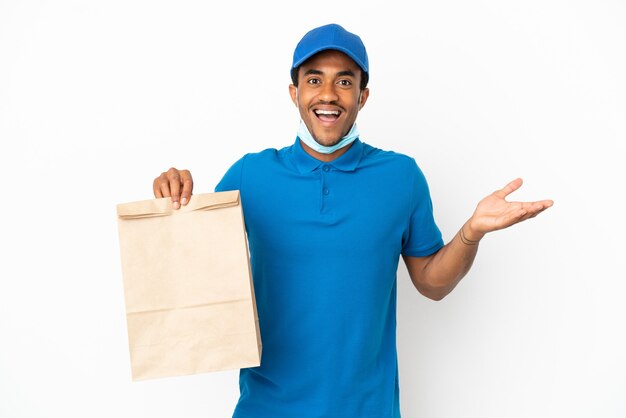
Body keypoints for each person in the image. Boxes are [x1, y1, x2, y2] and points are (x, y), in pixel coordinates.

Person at [152, 23, 553, 418]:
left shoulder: (401, 177)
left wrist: (471, 232)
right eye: (314, 80)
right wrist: (173, 201)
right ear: (295, 93)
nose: (328, 94)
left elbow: (432, 284)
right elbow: (191, 275)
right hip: (266, 408)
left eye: (344, 82)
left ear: (363, 96)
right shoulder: (250, 175)